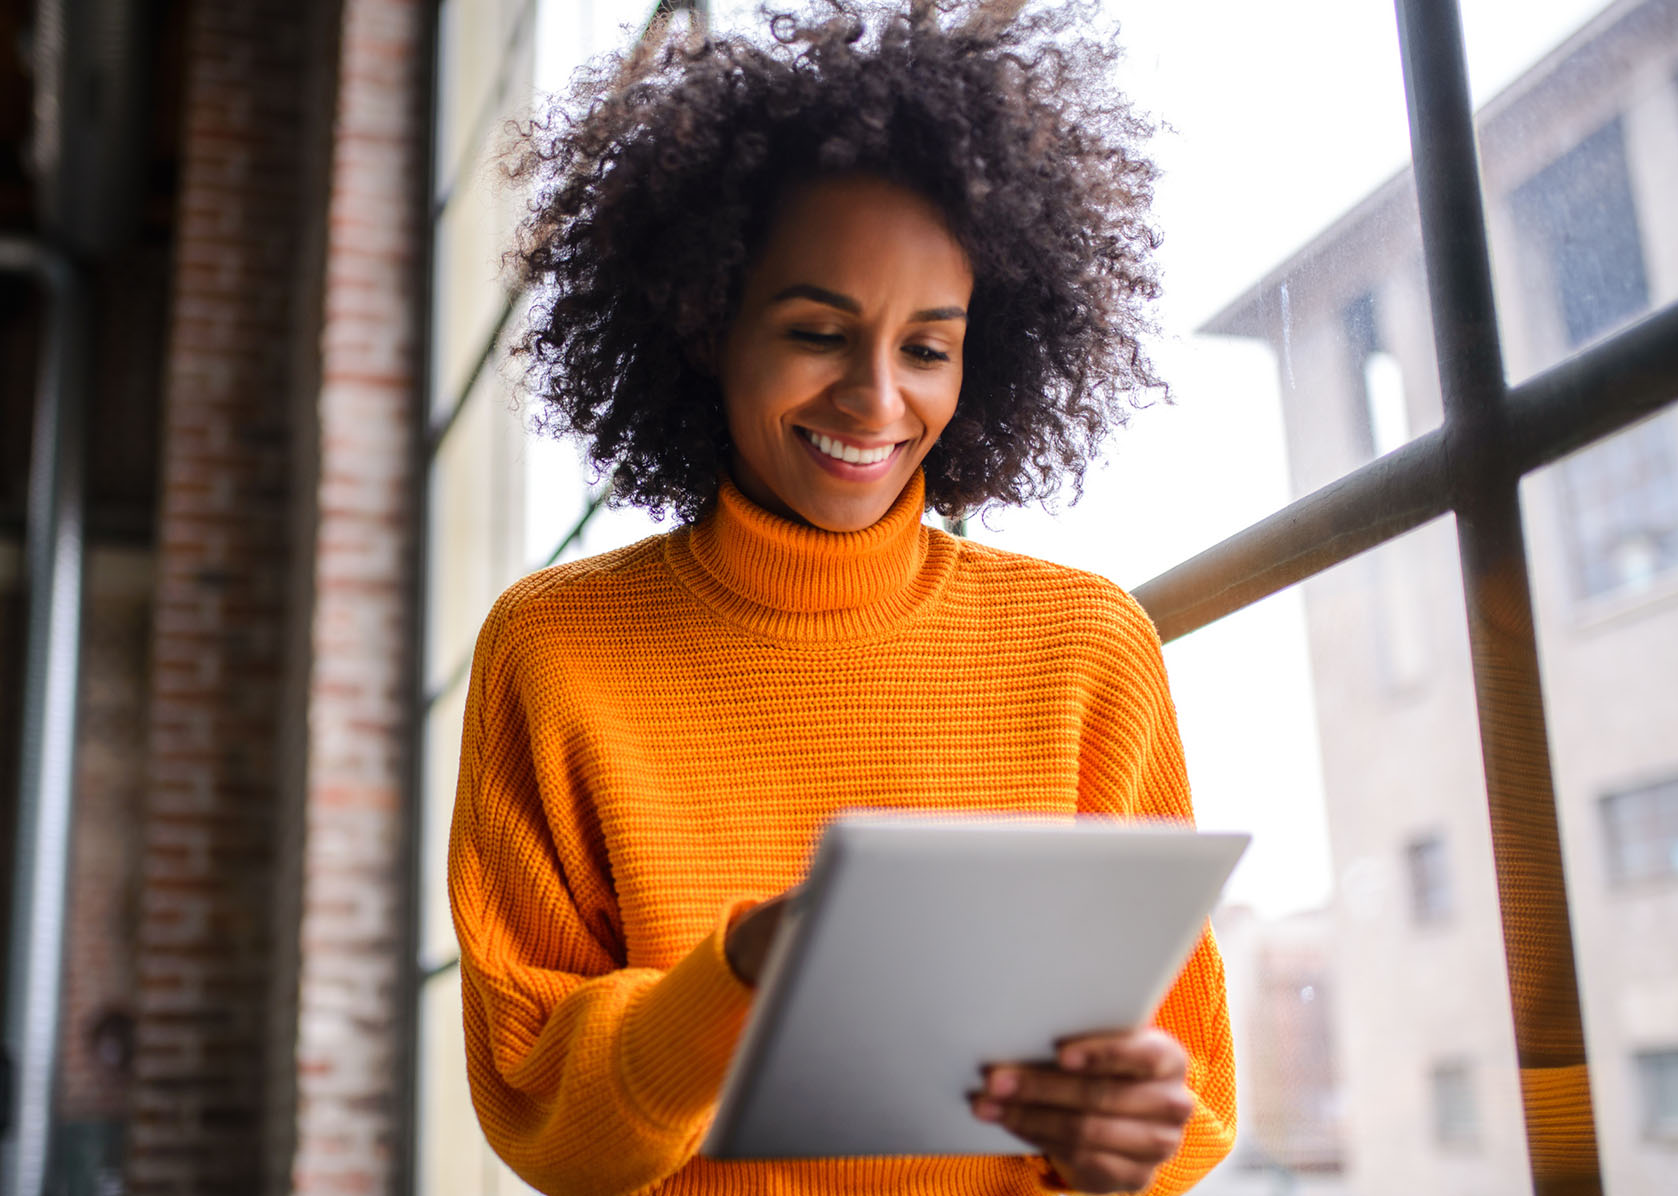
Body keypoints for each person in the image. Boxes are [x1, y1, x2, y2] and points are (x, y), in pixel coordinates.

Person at [446, 2, 1235, 1192]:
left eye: (928, 347)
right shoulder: (555, 647)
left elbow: (1190, 1091)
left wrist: (1128, 1144)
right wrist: (748, 968)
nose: (875, 401)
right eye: (819, 329)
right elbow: (542, 1111)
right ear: (703, 321)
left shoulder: (1083, 645)